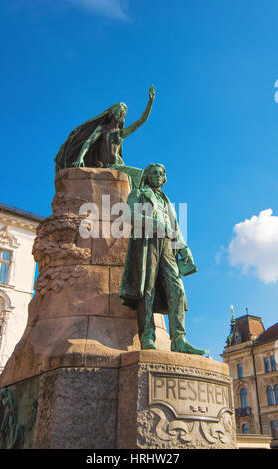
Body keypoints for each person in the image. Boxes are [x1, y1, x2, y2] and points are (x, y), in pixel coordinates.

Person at [119, 163, 207, 355]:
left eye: (161, 174)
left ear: (164, 178)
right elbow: (127, 215)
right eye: (154, 173)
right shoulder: (139, 193)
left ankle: (179, 340)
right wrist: (153, 222)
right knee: (147, 290)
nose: (157, 176)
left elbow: (174, 227)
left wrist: (184, 249)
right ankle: (148, 336)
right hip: (147, 242)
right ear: (147, 176)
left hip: (168, 245)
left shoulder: (167, 200)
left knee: (177, 290)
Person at [54, 85, 156, 189]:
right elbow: (89, 142)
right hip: (107, 166)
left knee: (143, 176)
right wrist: (80, 157)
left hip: (118, 166)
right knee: (140, 176)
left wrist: (150, 102)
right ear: (112, 112)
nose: (122, 114)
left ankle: (139, 200)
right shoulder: (102, 129)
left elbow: (141, 120)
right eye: (119, 111)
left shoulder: (121, 133)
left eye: (124, 113)